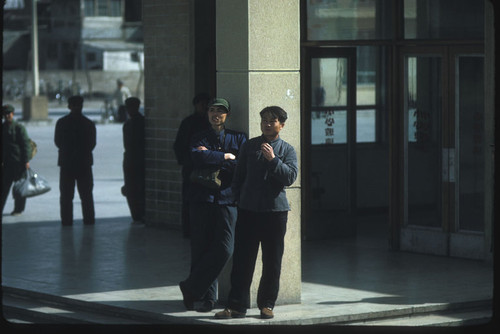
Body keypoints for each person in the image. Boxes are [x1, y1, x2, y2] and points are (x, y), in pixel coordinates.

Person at [215, 106, 298, 320]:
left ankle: (267, 304)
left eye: (272, 121)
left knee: (272, 262)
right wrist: (235, 201)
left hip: (275, 213)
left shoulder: (287, 150)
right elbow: (238, 177)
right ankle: (236, 306)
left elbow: (290, 177)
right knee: (243, 260)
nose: (267, 124)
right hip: (249, 210)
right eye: (264, 121)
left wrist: (273, 160)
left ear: (282, 124)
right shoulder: (250, 145)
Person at [179, 98, 247, 313]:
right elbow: (196, 158)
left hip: (228, 199)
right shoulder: (198, 136)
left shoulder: (239, 137)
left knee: (226, 247)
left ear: (227, 115)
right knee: (200, 248)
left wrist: (212, 156)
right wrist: (225, 156)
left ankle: (190, 287)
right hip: (201, 199)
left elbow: (241, 165)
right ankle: (205, 298)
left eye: (220, 111)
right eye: (212, 110)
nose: (215, 114)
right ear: (207, 113)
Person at [173, 93, 211, 238]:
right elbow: (179, 145)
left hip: (206, 166)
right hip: (191, 167)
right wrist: (188, 162)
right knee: (189, 198)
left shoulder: (209, 122)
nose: (203, 107)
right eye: (201, 104)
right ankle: (188, 230)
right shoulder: (188, 123)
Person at [54, 95, 96, 226]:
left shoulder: (62, 122)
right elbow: (91, 144)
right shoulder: (88, 123)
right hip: (83, 164)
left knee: (67, 196)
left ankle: (67, 221)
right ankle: (88, 220)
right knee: (86, 195)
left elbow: (58, 141)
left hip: (68, 163)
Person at [1, 104, 32, 216]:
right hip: (6, 164)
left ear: (13, 114)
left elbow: (25, 145)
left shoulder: (19, 128)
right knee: (3, 189)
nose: (7, 115)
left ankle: (18, 209)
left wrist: (26, 160)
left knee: (20, 188)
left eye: (9, 113)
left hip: (19, 163)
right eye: (5, 114)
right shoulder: (2, 128)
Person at [122, 97, 145, 223]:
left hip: (133, 160)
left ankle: (137, 214)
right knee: (134, 189)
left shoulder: (130, 124)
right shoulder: (140, 122)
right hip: (134, 160)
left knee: (134, 189)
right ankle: (138, 214)